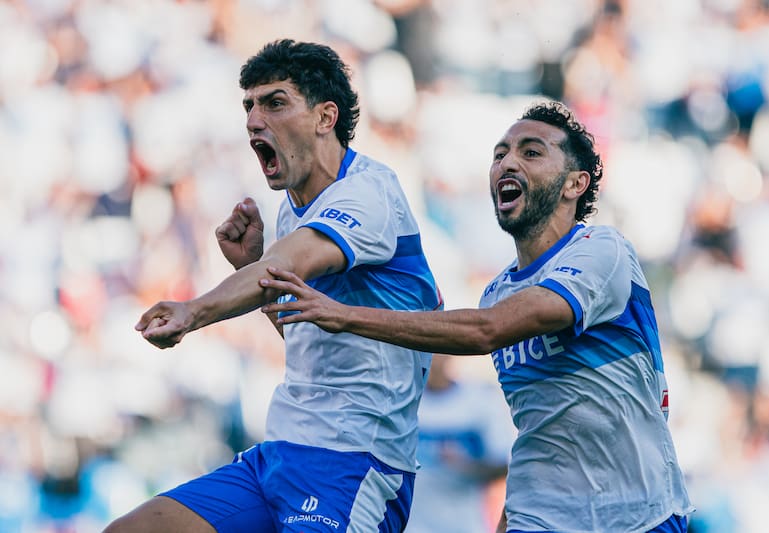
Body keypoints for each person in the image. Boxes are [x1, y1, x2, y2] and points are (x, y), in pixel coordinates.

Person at [260, 100, 695, 532]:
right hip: (540, 518)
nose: (507, 162)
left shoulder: (603, 251)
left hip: (638, 516)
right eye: (500, 154)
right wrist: (262, 281)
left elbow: (487, 331)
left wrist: (345, 313)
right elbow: (541, 429)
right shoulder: (498, 292)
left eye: (531, 152)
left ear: (574, 184)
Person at [105, 39, 441, 532]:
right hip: (279, 454)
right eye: (249, 105)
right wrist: (258, 266)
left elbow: (281, 269)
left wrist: (193, 311)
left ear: (327, 117)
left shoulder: (368, 193)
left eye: (275, 102)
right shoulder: (292, 211)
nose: (253, 120)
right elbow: (309, 337)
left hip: (352, 462)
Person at [405, 355, 514, 533]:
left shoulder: (479, 400)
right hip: (410, 526)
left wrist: (466, 465)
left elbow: (504, 466)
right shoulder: (403, 403)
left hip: (465, 525)